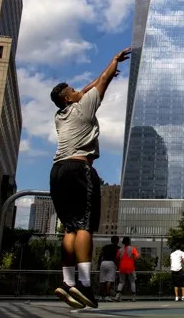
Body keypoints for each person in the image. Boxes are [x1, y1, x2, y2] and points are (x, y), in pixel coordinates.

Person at [49, 48, 130, 309]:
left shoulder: (61, 115)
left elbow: (84, 90)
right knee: (85, 226)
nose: (79, 91)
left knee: (70, 228)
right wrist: (113, 62)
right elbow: (101, 83)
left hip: (58, 171)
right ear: (69, 98)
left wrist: (94, 81)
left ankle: (67, 281)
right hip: (79, 169)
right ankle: (84, 284)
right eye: (74, 90)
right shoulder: (83, 108)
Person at [115, 237, 139, 302]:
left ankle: (117, 295)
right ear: (129, 242)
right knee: (132, 281)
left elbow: (117, 258)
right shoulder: (133, 249)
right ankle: (133, 297)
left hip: (122, 267)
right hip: (131, 267)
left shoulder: (120, 250)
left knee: (121, 282)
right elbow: (137, 257)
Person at [98, 237, 120, 302]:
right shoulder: (118, 248)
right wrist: (117, 265)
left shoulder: (105, 247)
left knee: (102, 280)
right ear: (117, 241)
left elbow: (100, 255)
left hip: (103, 263)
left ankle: (101, 296)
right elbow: (117, 258)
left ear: (111, 240)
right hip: (111, 263)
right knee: (109, 281)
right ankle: (107, 296)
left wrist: (99, 264)